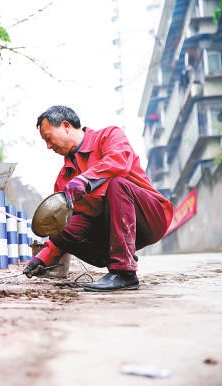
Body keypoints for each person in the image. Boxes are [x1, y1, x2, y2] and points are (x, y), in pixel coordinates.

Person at [23, 105, 174, 291]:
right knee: (59, 228)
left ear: (65, 126)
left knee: (117, 184)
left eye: (48, 138)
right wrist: (43, 257)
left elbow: (119, 161)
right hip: (111, 233)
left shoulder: (109, 136)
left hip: (149, 218)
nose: (48, 146)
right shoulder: (64, 179)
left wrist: (86, 179)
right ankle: (117, 258)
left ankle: (125, 273)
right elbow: (67, 224)